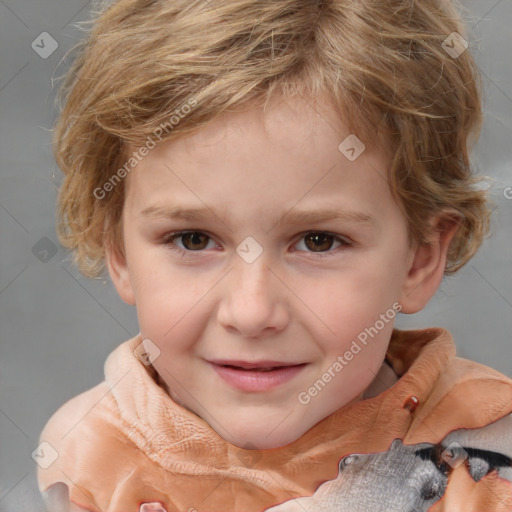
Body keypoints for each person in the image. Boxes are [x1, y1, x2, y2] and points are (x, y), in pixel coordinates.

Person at [37, 0, 512, 510]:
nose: (251, 312)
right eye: (194, 239)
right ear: (119, 252)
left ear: (418, 259)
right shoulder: (90, 456)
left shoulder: (487, 456)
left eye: (318, 241)